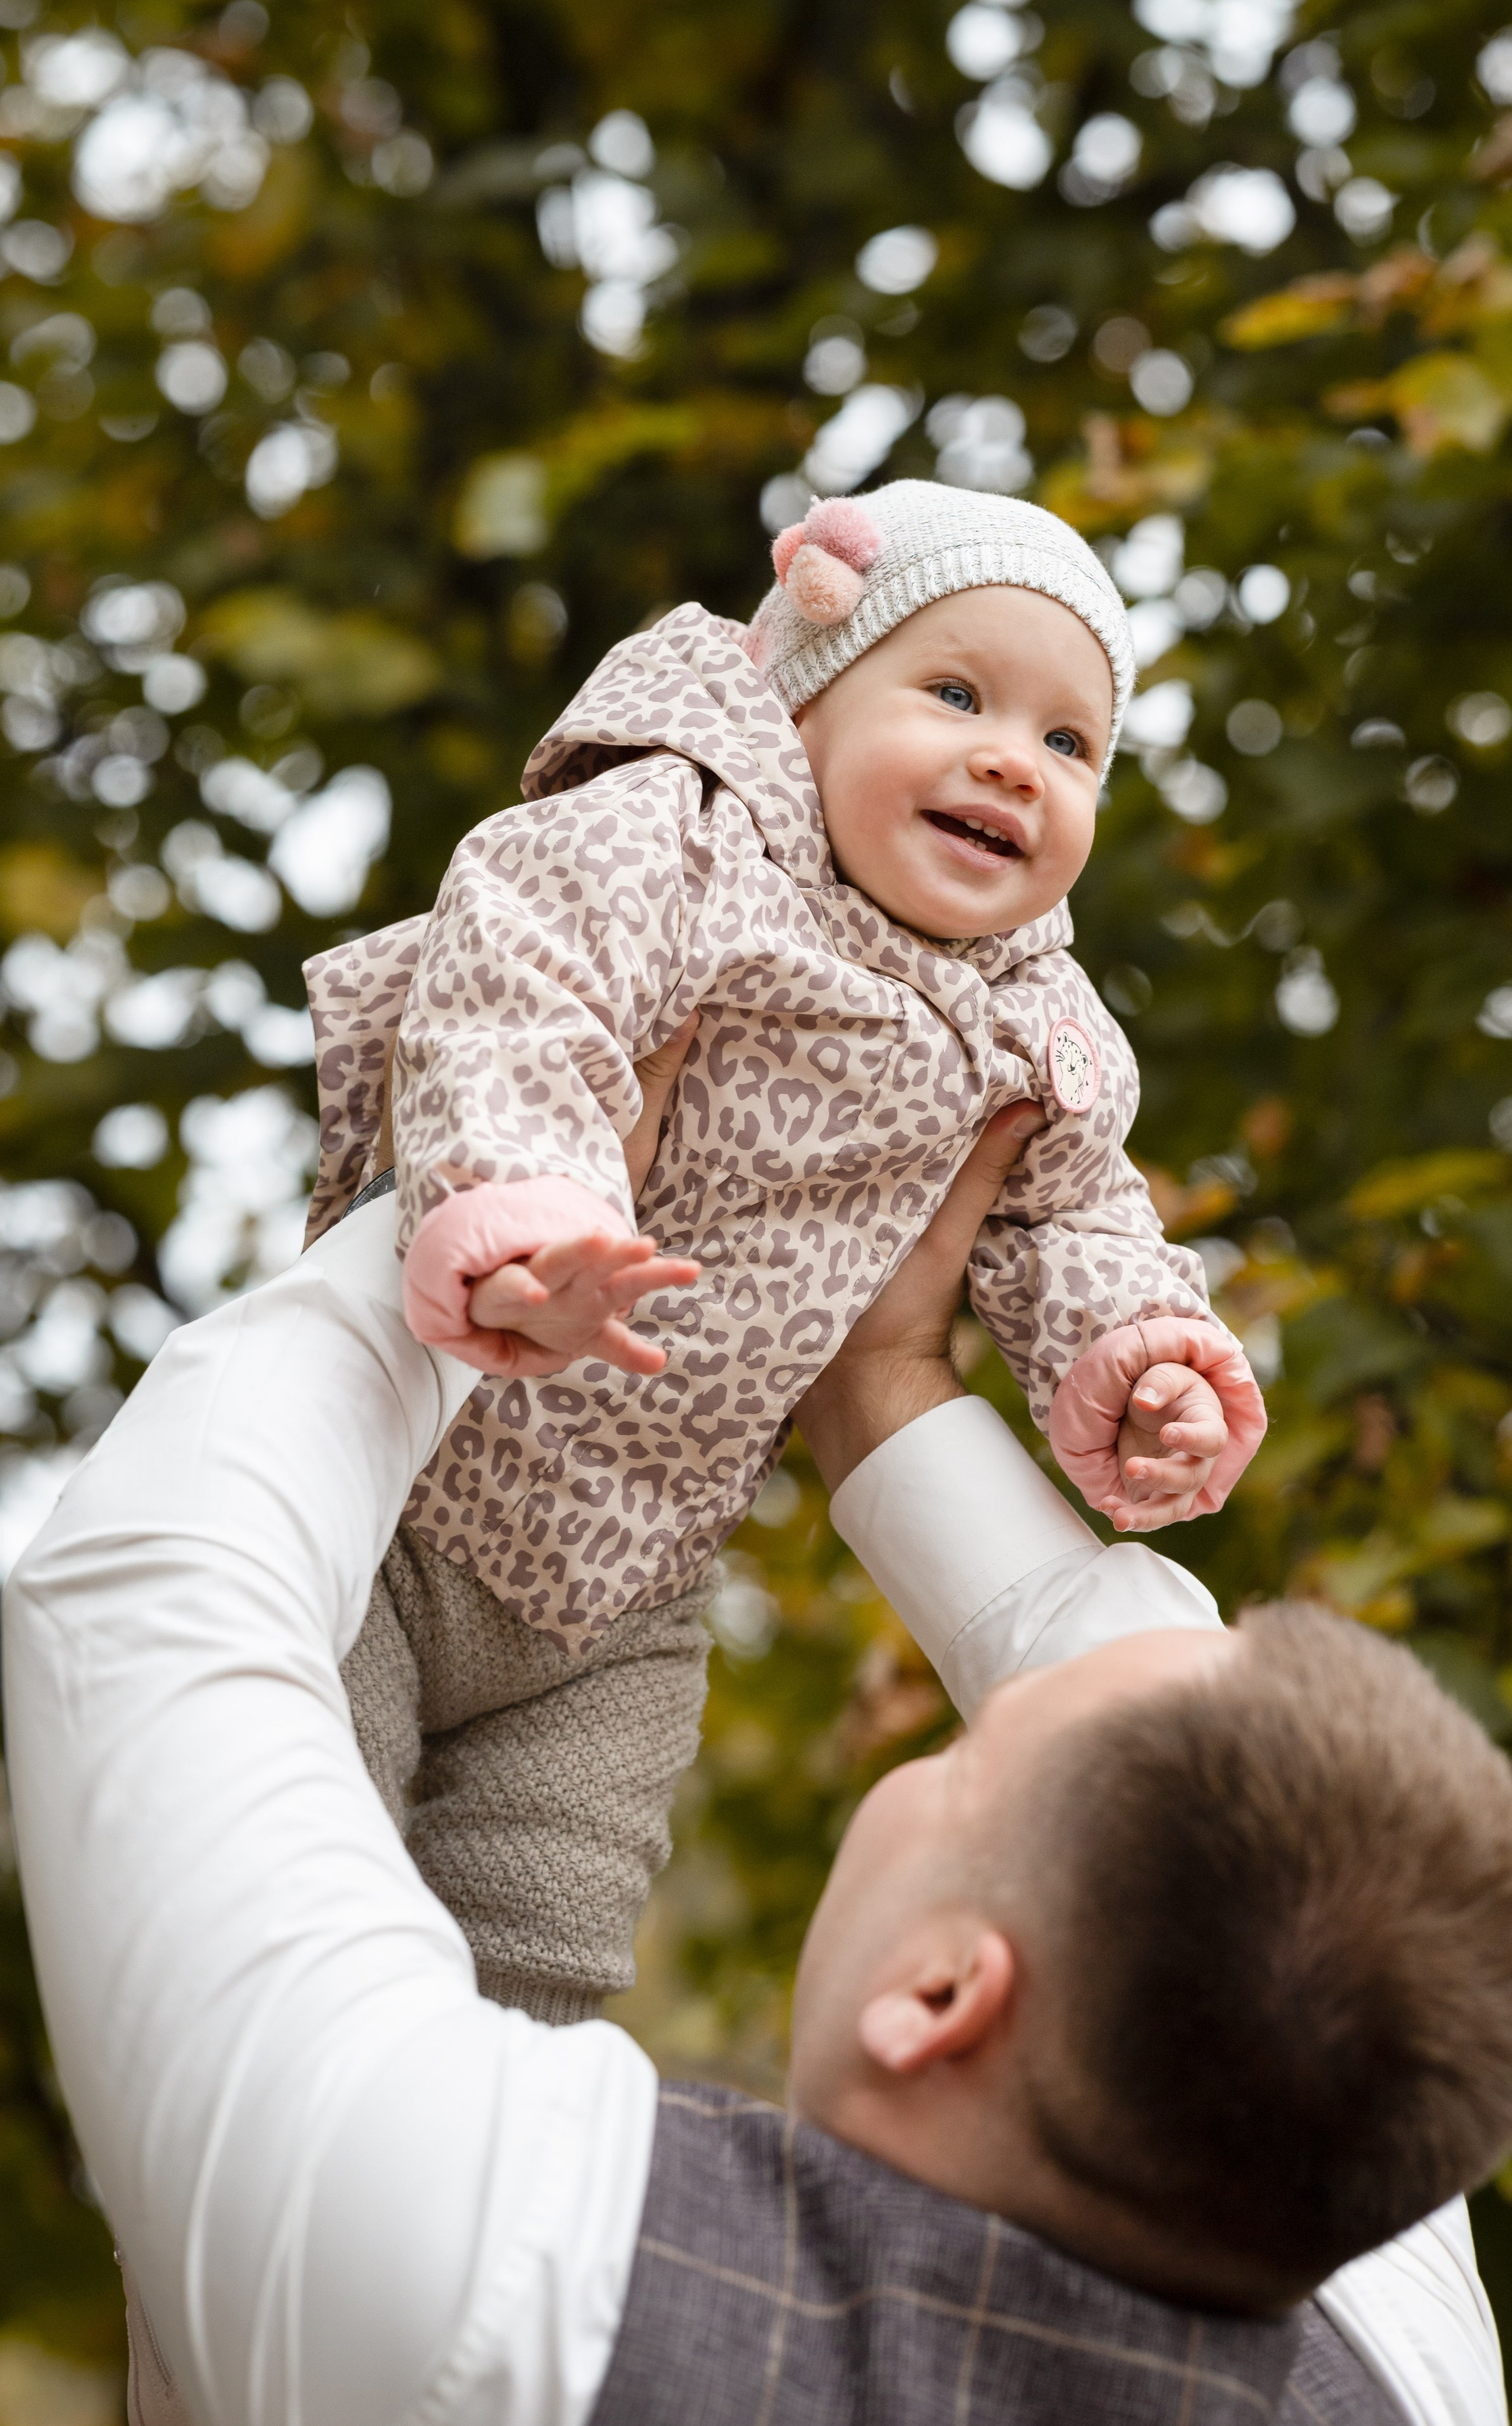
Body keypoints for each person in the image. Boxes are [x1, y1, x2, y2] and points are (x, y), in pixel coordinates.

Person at [5, 1119, 1512, 2426]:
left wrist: (498, 1195)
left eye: (961, 1762)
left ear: (942, 1995)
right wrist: (879, 1382)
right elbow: (1148, 1688)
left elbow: (155, 1589)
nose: (951, 1746)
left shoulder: (500, 2292)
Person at [303, 479, 1265, 2021]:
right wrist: (533, 1207)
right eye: (956, 695)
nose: (1013, 760)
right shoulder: (682, 841)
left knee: (545, 1944)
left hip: (627, 1582)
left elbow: (1072, 1214)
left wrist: (1141, 1359)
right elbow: (519, 988)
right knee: (310, 1880)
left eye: (1070, 743)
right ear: (802, 700)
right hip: (394, 1488)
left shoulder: (1033, 1020)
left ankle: (499, 2150)